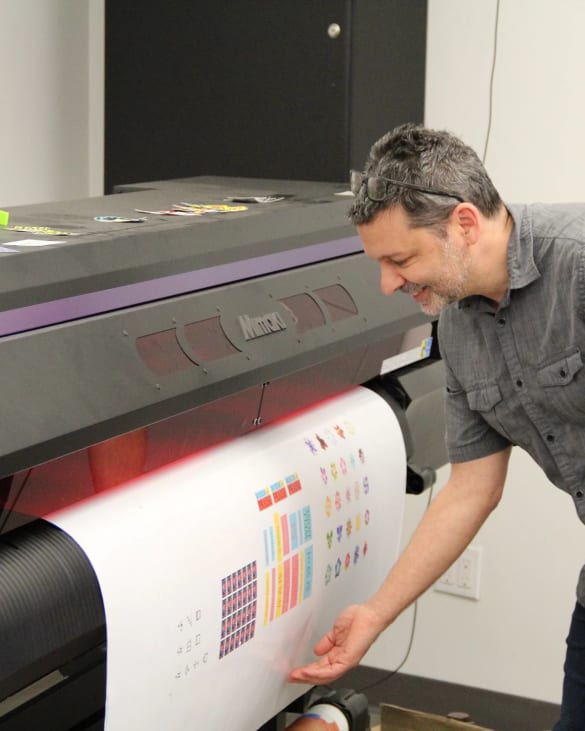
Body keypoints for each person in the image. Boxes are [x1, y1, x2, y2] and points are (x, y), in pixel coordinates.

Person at [288, 123, 585, 731]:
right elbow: (471, 489)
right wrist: (375, 614)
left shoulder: (578, 267)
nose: (388, 283)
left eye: (400, 260)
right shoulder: (458, 329)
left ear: (465, 224)